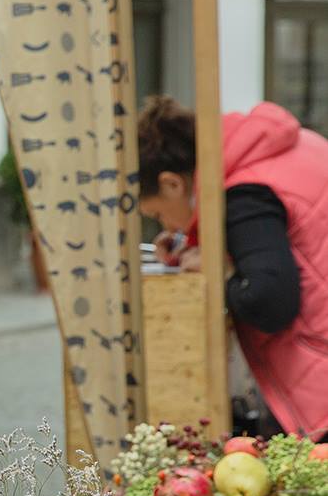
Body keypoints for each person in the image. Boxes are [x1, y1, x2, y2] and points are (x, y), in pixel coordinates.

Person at [138, 94, 328, 437]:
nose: (165, 224)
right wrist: (192, 243)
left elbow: (268, 302)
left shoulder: (245, 196)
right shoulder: (283, 149)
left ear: (172, 183)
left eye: (158, 213)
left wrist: (220, 274)